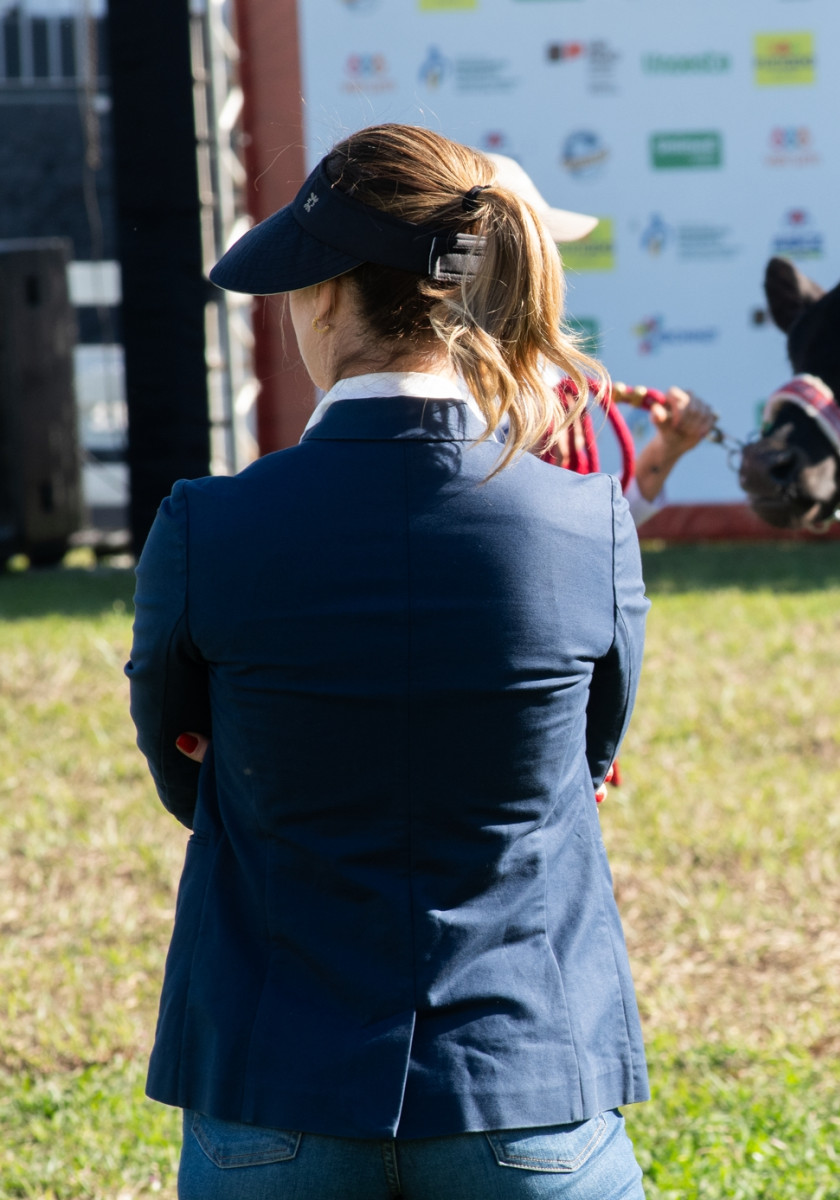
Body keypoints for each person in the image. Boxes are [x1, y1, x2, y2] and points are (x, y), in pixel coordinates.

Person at [125, 123, 650, 1198]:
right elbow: (587, 765)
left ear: (322, 296)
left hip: (277, 1087)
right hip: (526, 1086)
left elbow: (189, 782)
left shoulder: (207, 528)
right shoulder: (587, 522)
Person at [476, 152, 720, 522]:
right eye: (531, 249)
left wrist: (665, 452)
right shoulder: (429, 384)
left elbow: (588, 529)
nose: (545, 266)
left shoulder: (545, 374)